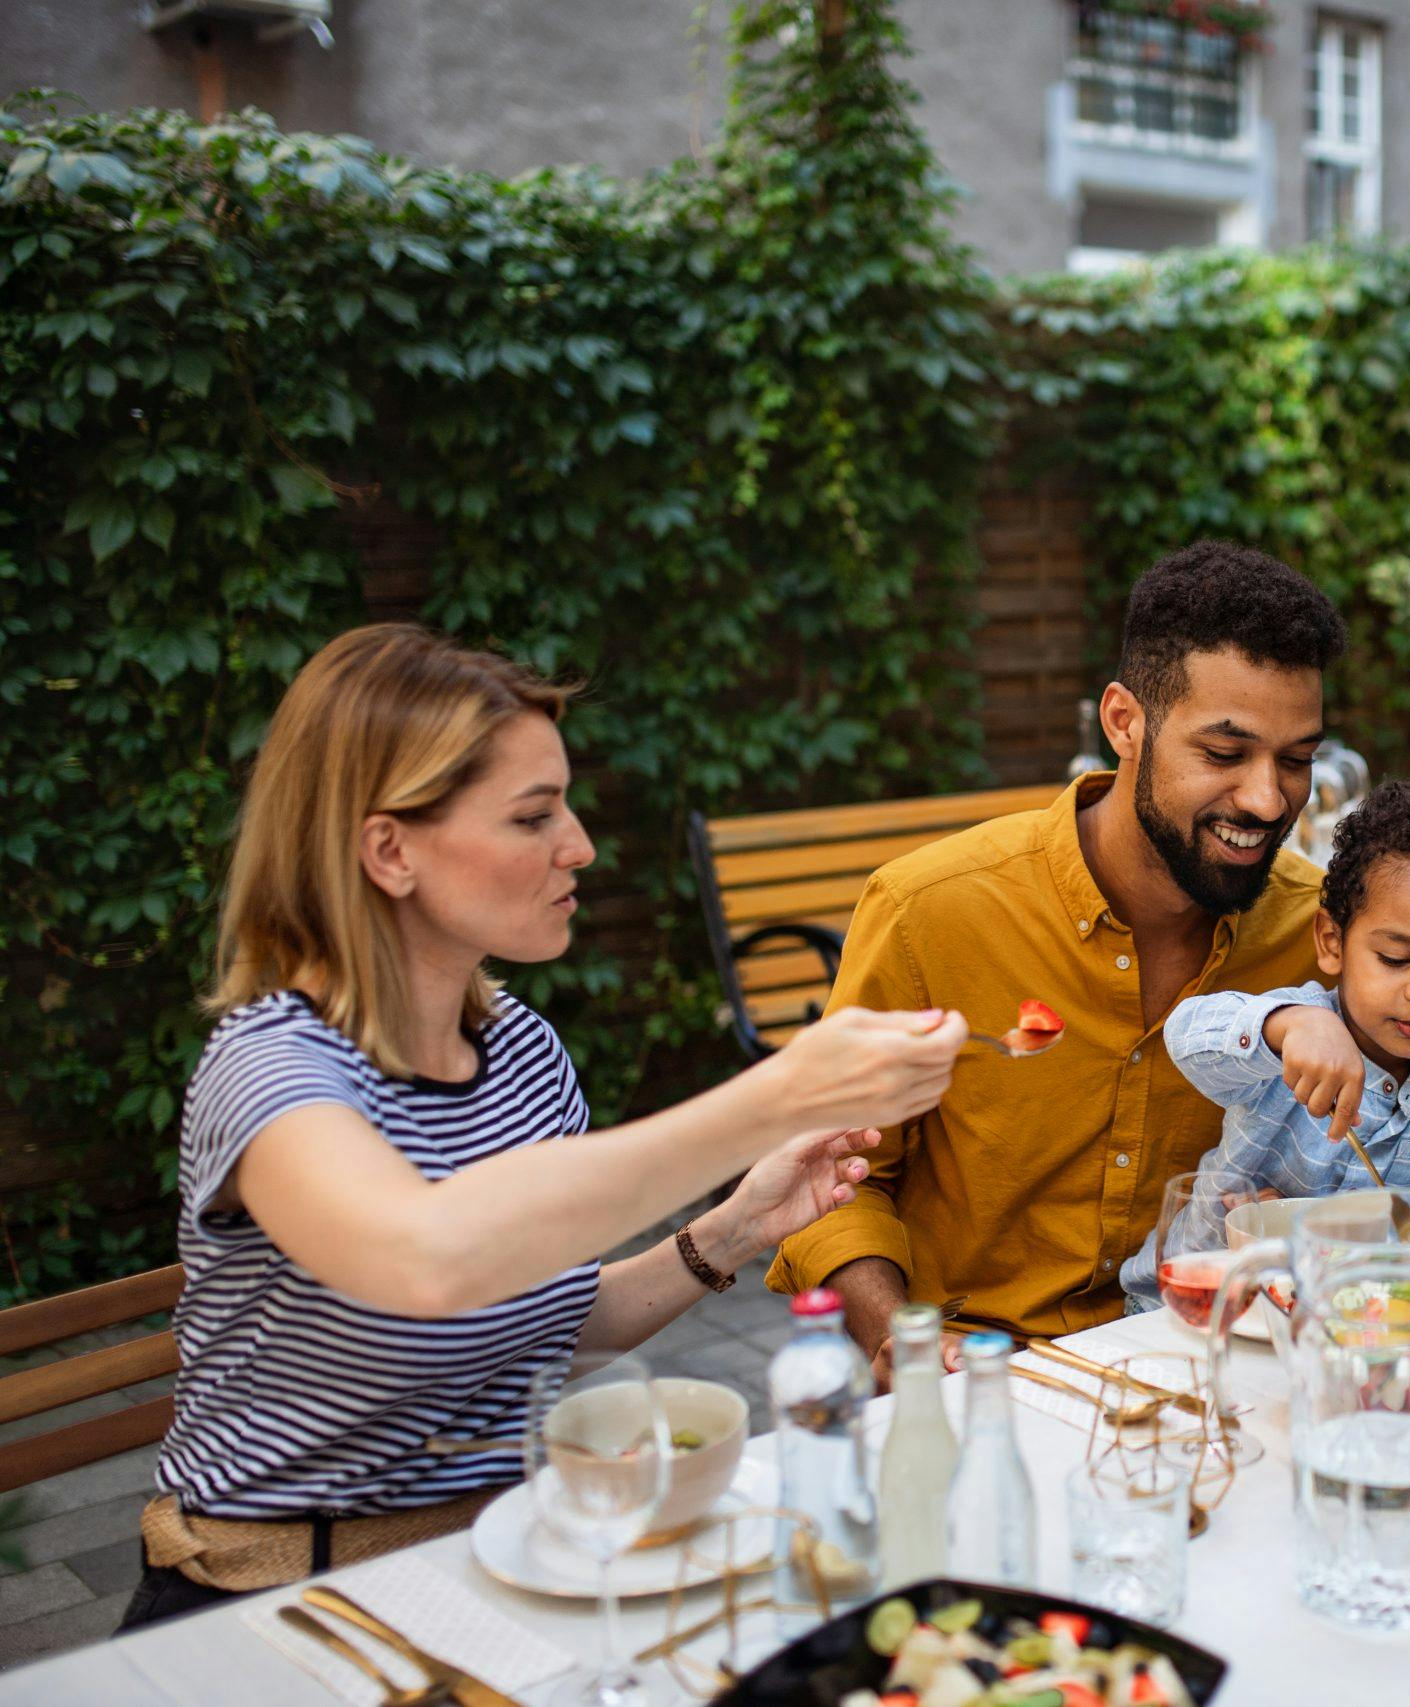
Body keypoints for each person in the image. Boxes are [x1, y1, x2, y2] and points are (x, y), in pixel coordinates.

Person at [125, 624, 963, 1629]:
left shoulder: (520, 1051)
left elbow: (547, 1318)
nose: (581, 845)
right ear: (388, 849)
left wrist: (739, 1223)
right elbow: (428, 1260)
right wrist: (780, 1093)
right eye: (533, 817)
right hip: (282, 1599)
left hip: (516, 1563)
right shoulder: (272, 1067)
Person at [769, 541, 1349, 1380]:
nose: (1267, 799)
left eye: (1296, 760)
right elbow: (835, 1178)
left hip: (1213, 1369)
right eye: (1225, 754)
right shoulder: (930, 912)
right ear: (1124, 723)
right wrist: (898, 1334)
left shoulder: (1317, 928)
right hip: (982, 1384)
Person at [1121, 776, 1410, 1307]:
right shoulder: (1295, 1026)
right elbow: (1186, 1036)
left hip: (1362, 1322)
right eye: (1395, 960)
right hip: (1201, 1303)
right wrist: (1284, 1027)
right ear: (1333, 942)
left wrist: (1309, 1230)